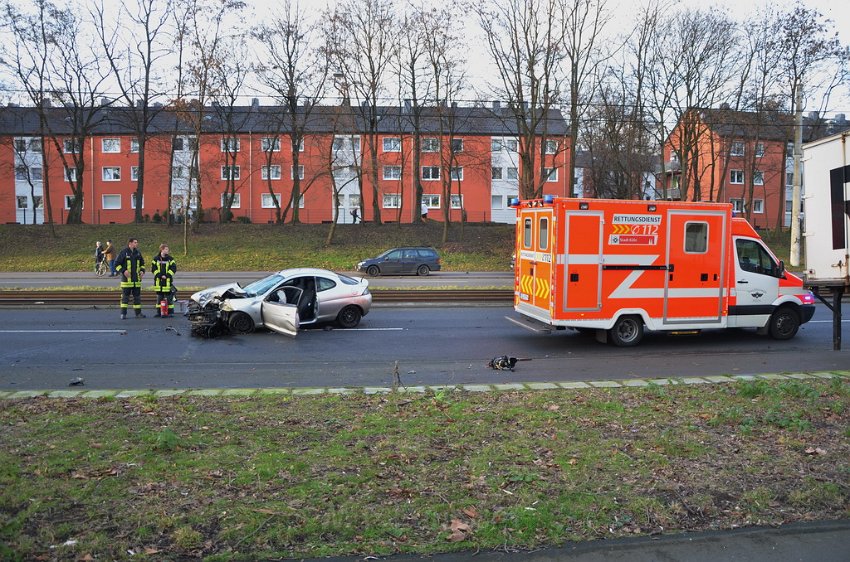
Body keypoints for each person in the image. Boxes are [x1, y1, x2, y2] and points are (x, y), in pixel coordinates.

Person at [114, 238, 145, 319]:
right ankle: (123, 314)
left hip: (136, 281)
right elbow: (116, 264)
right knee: (125, 298)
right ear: (130, 243)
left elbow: (142, 264)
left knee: (137, 298)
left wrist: (142, 271)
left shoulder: (138, 253)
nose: (136, 244)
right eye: (135, 242)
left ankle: (138, 314)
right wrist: (123, 271)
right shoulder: (124, 252)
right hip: (126, 281)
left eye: (137, 242)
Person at [151, 243, 177, 317]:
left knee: (169, 299)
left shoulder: (170, 259)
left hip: (168, 282)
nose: (167, 251)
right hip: (159, 282)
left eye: (167, 249)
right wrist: (160, 276)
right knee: (159, 299)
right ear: (162, 250)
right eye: (166, 249)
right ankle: (159, 312)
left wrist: (167, 275)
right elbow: (153, 269)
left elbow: (173, 268)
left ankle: (170, 312)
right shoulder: (156, 259)